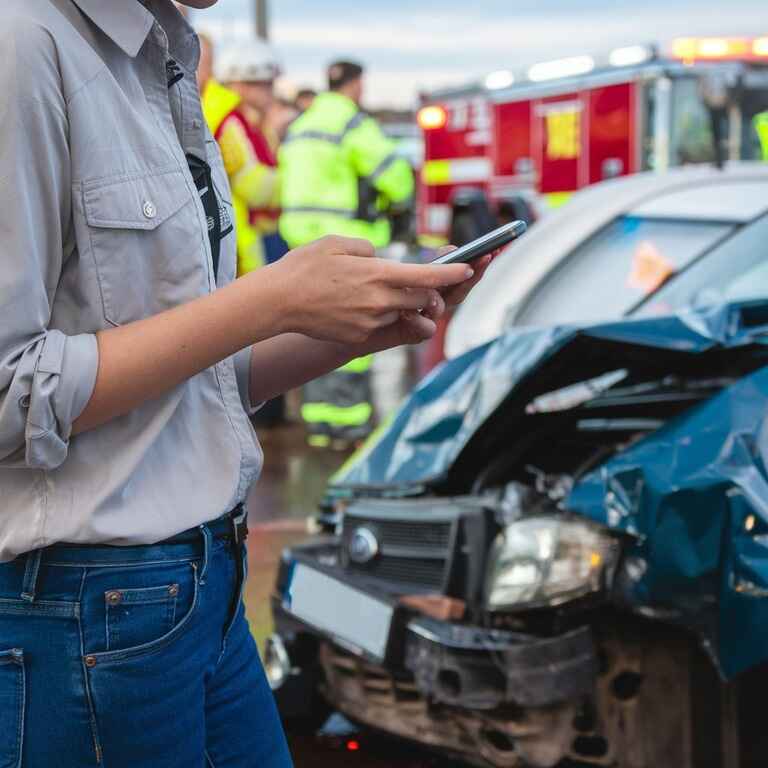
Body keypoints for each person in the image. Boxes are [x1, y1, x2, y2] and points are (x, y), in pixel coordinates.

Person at [0, 1, 495, 766]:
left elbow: (188, 380)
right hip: (85, 613)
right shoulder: (22, 43)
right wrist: (268, 299)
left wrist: (354, 327)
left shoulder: (158, 58)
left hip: (206, 594)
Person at [279, 59, 415, 448]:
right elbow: (396, 177)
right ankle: (350, 426)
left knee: (310, 328)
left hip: (300, 242)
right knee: (351, 333)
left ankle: (321, 427)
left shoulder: (301, 126)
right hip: (348, 241)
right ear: (356, 86)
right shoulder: (352, 124)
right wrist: (399, 200)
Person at [201, 39, 284, 275]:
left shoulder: (251, 121)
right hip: (244, 240)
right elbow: (253, 187)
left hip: (261, 232)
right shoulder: (230, 122)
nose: (271, 90)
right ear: (240, 84)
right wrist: (294, 182)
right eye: (264, 84)